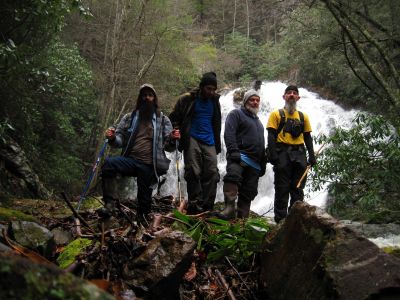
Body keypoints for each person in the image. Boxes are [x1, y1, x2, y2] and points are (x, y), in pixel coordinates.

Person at [99, 84, 177, 222]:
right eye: (144, 95)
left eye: (150, 95)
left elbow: (169, 147)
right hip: (130, 161)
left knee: (144, 208)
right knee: (109, 164)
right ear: (140, 98)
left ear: (155, 99)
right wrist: (111, 137)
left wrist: (173, 139)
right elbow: (119, 140)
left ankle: (142, 222)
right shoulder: (130, 117)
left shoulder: (163, 119)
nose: (147, 97)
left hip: (149, 165)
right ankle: (109, 204)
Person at [169, 72, 221, 214]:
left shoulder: (215, 101)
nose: (211, 92)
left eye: (213, 89)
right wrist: (176, 130)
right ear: (202, 86)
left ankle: (207, 205)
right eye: (208, 88)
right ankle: (194, 203)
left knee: (212, 172)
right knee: (193, 170)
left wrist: (218, 144)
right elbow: (173, 117)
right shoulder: (188, 99)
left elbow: (217, 122)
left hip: (210, 140)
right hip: (191, 137)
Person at [267, 85, 316, 223]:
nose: (292, 95)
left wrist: (311, 156)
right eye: (289, 93)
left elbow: (307, 137)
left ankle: (295, 220)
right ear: (284, 97)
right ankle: (280, 220)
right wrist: (273, 156)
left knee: (298, 189)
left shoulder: (303, 116)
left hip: (300, 155)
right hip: (282, 154)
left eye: (295, 93)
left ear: (298, 97)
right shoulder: (276, 114)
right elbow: (270, 136)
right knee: (282, 189)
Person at [221, 89, 266, 219]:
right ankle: (229, 208)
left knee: (248, 192)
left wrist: (262, 162)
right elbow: (229, 133)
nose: (255, 102)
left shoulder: (259, 123)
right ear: (246, 101)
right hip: (239, 156)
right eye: (252, 100)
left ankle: (242, 218)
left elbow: (261, 144)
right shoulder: (236, 114)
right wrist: (233, 150)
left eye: (257, 100)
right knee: (232, 178)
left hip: (255, 164)